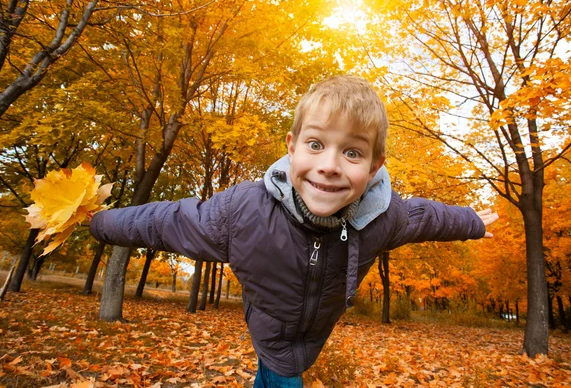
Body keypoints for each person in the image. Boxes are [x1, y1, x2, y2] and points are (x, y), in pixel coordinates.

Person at [90, 75, 498, 387]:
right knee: (279, 373)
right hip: (269, 328)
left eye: (352, 152)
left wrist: (472, 221)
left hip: (313, 337)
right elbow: (166, 221)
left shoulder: (382, 217)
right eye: (316, 145)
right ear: (292, 147)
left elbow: (425, 217)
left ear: (375, 166)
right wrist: (100, 222)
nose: (330, 165)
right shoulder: (243, 210)